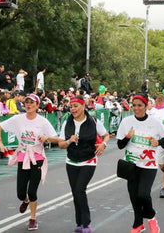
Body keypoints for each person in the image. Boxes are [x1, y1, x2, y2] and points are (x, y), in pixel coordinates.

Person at [0, 94, 59, 231]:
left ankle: (33, 218)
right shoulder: (18, 119)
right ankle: (25, 200)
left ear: (37, 105)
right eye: (26, 102)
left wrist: (46, 137)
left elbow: (56, 139)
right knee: (20, 193)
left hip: (37, 158)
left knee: (32, 191)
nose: (28, 105)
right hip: (23, 157)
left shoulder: (43, 121)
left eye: (31, 103)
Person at [116, 93, 164, 233]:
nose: (136, 108)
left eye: (140, 105)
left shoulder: (154, 122)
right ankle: (138, 224)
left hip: (148, 164)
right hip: (131, 164)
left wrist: (157, 142)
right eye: (134, 105)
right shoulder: (126, 122)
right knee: (134, 197)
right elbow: (120, 145)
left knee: (143, 194)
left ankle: (151, 218)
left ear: (146, 106)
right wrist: (128, 137)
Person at [58, 95, 110, 233]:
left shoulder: (93, 121)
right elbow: (61, 144)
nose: (73, 109)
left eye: (76, 106)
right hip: (71, 161)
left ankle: (86, 223)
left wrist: (103, 144)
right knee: (76, 192)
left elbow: (106, 135)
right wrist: (69, 141)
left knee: (80, 190)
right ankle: (79, 222)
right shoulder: (66, 123)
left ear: (83, 106)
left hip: (88, 160)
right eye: (71, 106)